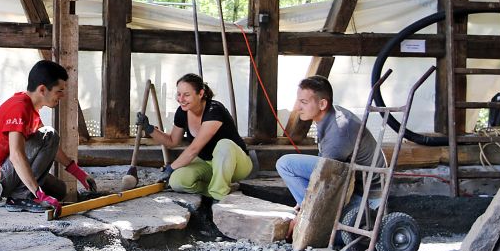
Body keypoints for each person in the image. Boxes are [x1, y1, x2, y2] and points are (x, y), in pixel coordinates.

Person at [0, 60, 96, 215]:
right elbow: (17, 155)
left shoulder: (30, 107)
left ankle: (26, 193)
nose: (63, 95)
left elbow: (50, 148)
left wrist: (78, 173)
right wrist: (38, 194)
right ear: (43, 90)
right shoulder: (20, 108)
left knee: (60, 190)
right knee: (49, 134)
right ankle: (19, 198)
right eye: (59, 91)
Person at [137, 73, 251, 200]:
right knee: (177, 182)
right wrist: (149, 129)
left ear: (201, 94)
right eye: (179, 94)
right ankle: (216, 188)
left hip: (236, 165)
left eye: (186, 95)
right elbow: (172, 141)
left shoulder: (214, 109)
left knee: (224, 144)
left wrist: (171, 168)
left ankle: (218, 194)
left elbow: (194, 149)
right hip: (207, 163)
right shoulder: (182, 111)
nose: (181, 99)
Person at [276, 75, 383, 209]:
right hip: (352, 182)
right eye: (298, 101)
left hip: (366, 198)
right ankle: (307, 207)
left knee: (285, 164)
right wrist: (301, 199)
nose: (297, 107)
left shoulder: (340, 129)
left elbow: (325, 178)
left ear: (322, 104)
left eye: (303, 102)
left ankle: (310, 213)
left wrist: (306, 208)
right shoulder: (331, 115)